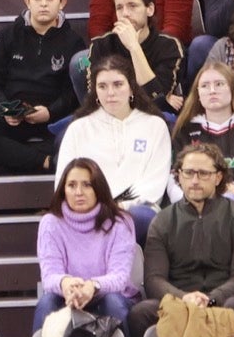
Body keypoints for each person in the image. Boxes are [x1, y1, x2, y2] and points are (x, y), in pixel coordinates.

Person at [123, 142, 234, 337]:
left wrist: (211, 299)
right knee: (141, 313)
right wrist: (184, 298)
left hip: (224, 299)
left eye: (203, 173)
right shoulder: (163, 221)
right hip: (179, 301)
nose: (195, 180)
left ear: (218, 177)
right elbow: (154, 279)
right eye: (188, 173)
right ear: (179, 176)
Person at [0, 0, 86, 175]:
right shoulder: (6, 36)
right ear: (27, 1)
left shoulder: (74, 42)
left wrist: (50, 112)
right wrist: (5, 109)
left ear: (62, 2)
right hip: (13, 118)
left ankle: (8, 161)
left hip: (52, 119)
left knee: (75, 141)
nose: (43, 4)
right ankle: (46, 162)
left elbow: (72, 92)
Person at [56, 55, 173, 245]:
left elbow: (155, 179)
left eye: (118, 84)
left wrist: (121, 206)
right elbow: (64, 182)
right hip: (89, 209)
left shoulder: (154, 125)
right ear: (95, 90)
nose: (110, 92)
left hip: (137, 211)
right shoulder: (78, 128)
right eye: (102, 86)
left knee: (139, 217)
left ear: (131, 87)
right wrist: (97, 206)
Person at [32, 158, 139, 333]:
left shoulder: (120, 222)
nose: (79, 192)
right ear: (63, 190)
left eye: (87, 185)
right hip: (67, 297)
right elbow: (50, 276)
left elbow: (119, 277)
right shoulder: (50, 223)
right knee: (47, 302)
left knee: (113, 302)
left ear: (98, 188)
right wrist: (66, 283)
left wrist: (92, 286)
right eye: (71, 185)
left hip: (109, 295)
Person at [171, 61, 234, 211]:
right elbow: (174, 183)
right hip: (194, 206)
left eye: (219, 84)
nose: (212, 91)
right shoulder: (184, 130)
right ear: (198, 94)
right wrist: (194, 199)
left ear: (233, 89)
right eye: (205, 86)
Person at [80, 0, 186, 114]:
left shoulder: (169, 46)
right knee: (79, 62)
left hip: (152, 118)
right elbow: (97, 98)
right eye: (119, 7)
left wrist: (134, 47)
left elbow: (158, 102)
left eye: (132, 6)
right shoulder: (100, 45)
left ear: (150, 9)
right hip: (109, 116)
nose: (125, 13)